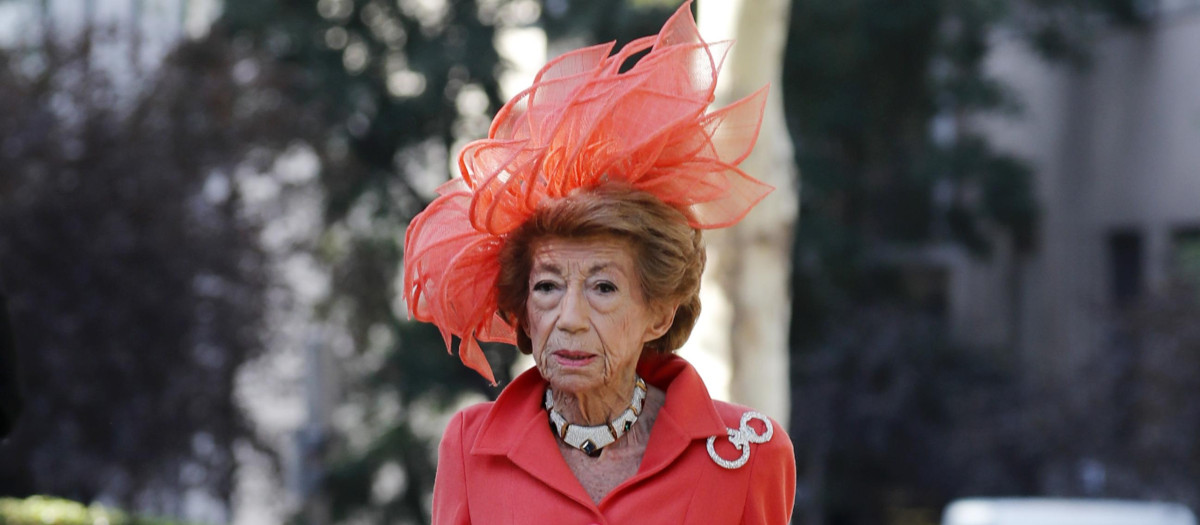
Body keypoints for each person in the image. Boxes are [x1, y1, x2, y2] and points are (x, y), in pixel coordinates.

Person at [403, 2, 795, 522]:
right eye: (547, 287)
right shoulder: (470, 448)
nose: (569, 317)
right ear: (522, 309)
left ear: (659, 312)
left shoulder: (749, 454)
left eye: (603, 288)